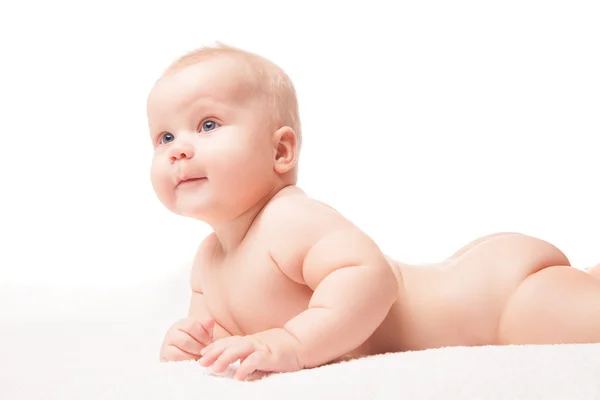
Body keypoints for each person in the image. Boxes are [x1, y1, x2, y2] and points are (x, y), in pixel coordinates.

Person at [148, 43, 600, 381]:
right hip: (474, 274)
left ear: (280, 150)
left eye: (207, 125)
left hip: (495, 304)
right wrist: (190, 344)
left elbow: (371, 277)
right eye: (164, 137)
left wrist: (295, 343)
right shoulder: (209, 263)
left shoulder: (287, 220)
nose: (178, 150)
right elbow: (221, 340)